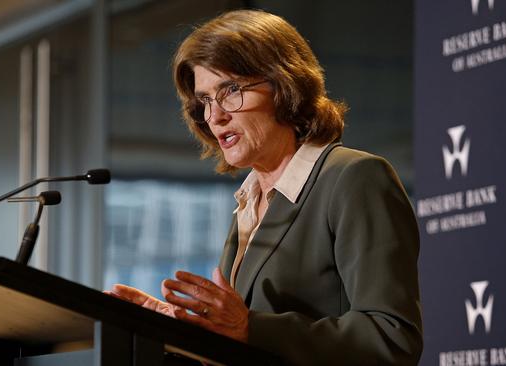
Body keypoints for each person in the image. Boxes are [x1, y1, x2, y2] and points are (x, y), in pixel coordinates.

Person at [106, 9, 422, 365]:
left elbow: (392, 337)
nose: (215, 116)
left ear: (285, 85)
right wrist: (179, 327)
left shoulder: (353, 177)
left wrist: (250, 329)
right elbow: (240, 341)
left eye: (230, 91)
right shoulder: (248, 200)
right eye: (205, 100)